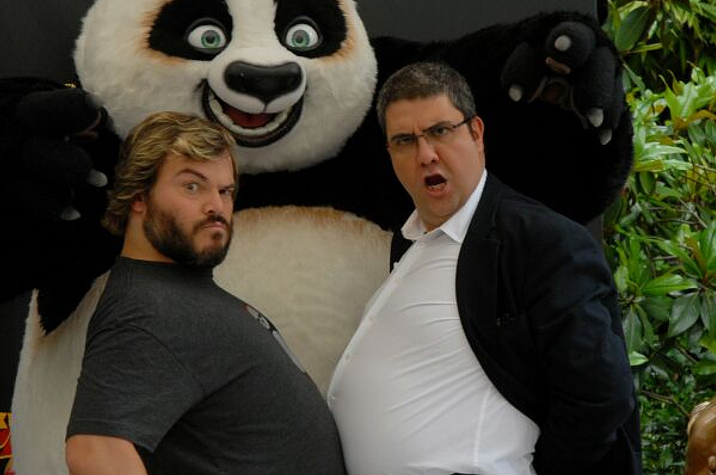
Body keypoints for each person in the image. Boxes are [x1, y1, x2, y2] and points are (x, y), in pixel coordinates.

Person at [327, 62, 642, 475]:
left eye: (440, 131)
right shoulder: (409, 241)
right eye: (405, 140)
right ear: (390, 154)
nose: (425, 155)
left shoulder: (541, 240)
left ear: (476, 133)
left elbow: (599, 395)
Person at [65, 111, 346, 475]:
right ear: (138, 195)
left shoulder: (174, 292)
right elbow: (92, 451)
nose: (217, 206)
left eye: (225, 191)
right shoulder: (144, 312)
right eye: (192, 186)